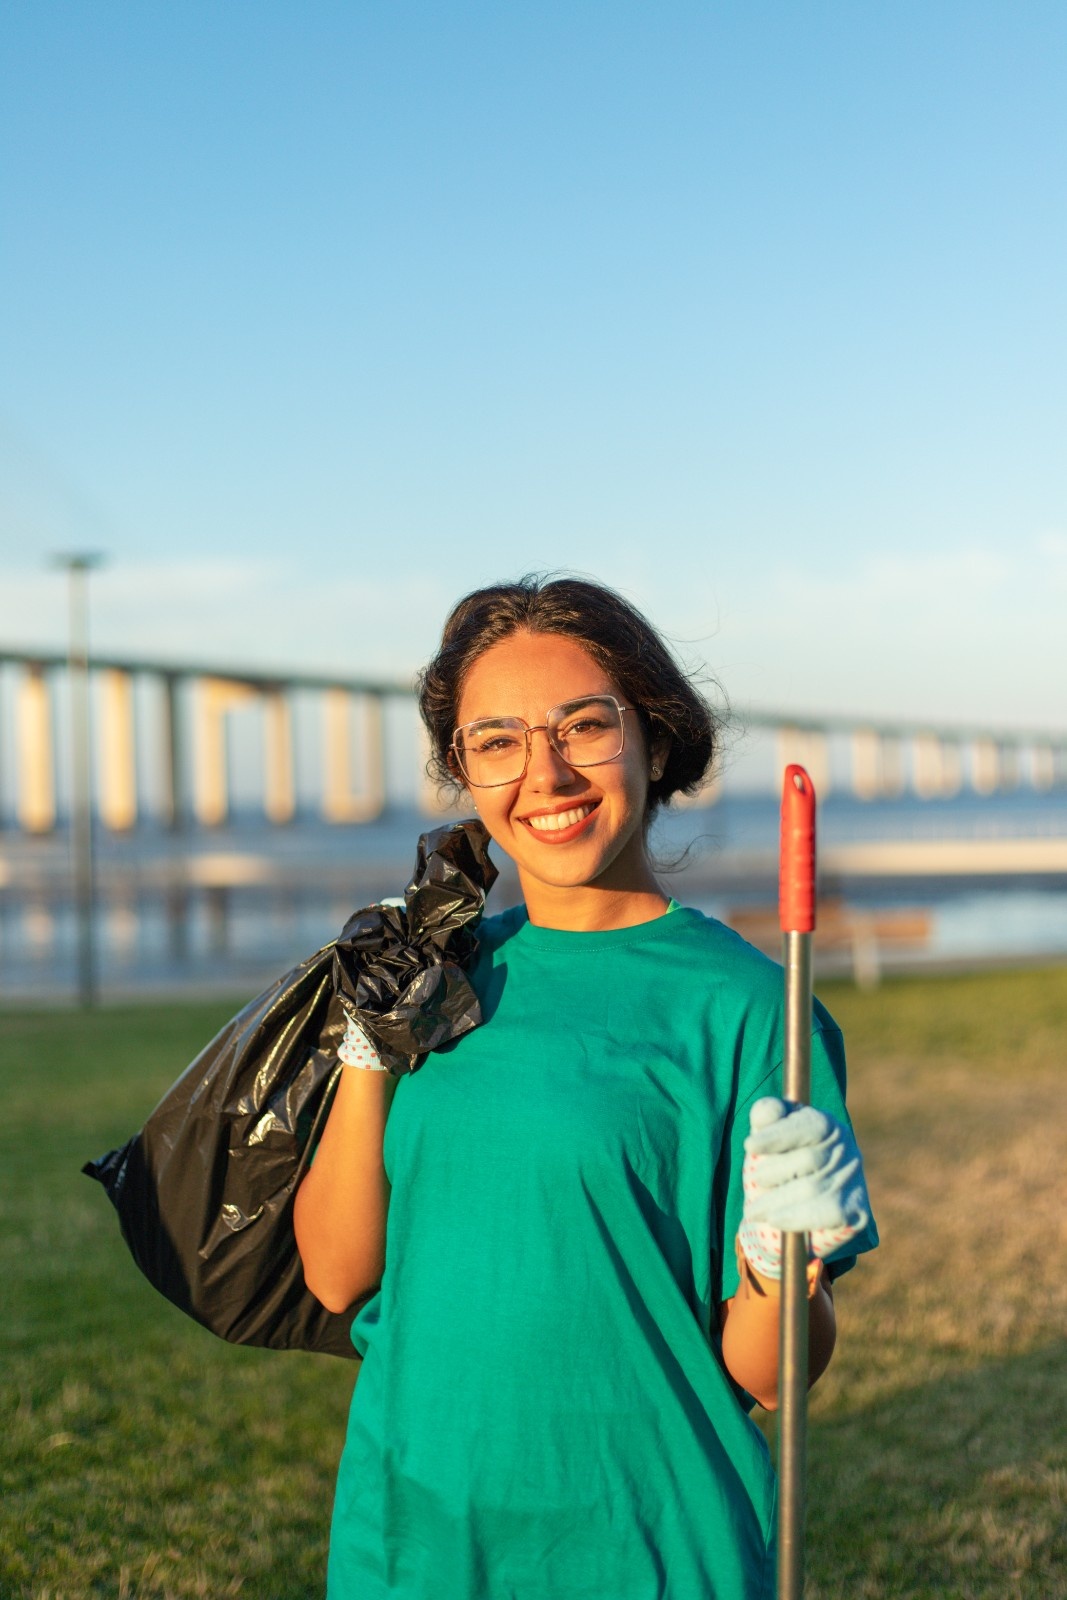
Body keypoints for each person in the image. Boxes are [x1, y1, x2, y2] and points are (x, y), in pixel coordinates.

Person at [294, 575, 878, 1600]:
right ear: (464, 771)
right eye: (496, 741)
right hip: (413, 1530)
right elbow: (338, 1276)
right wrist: (365, 1048)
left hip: (643, 1539)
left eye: (583, 726)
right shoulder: (434, 978)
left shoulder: (749, 1008)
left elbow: (767, 1374)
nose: (545, 774)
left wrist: (786, 1268)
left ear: (654, 742)